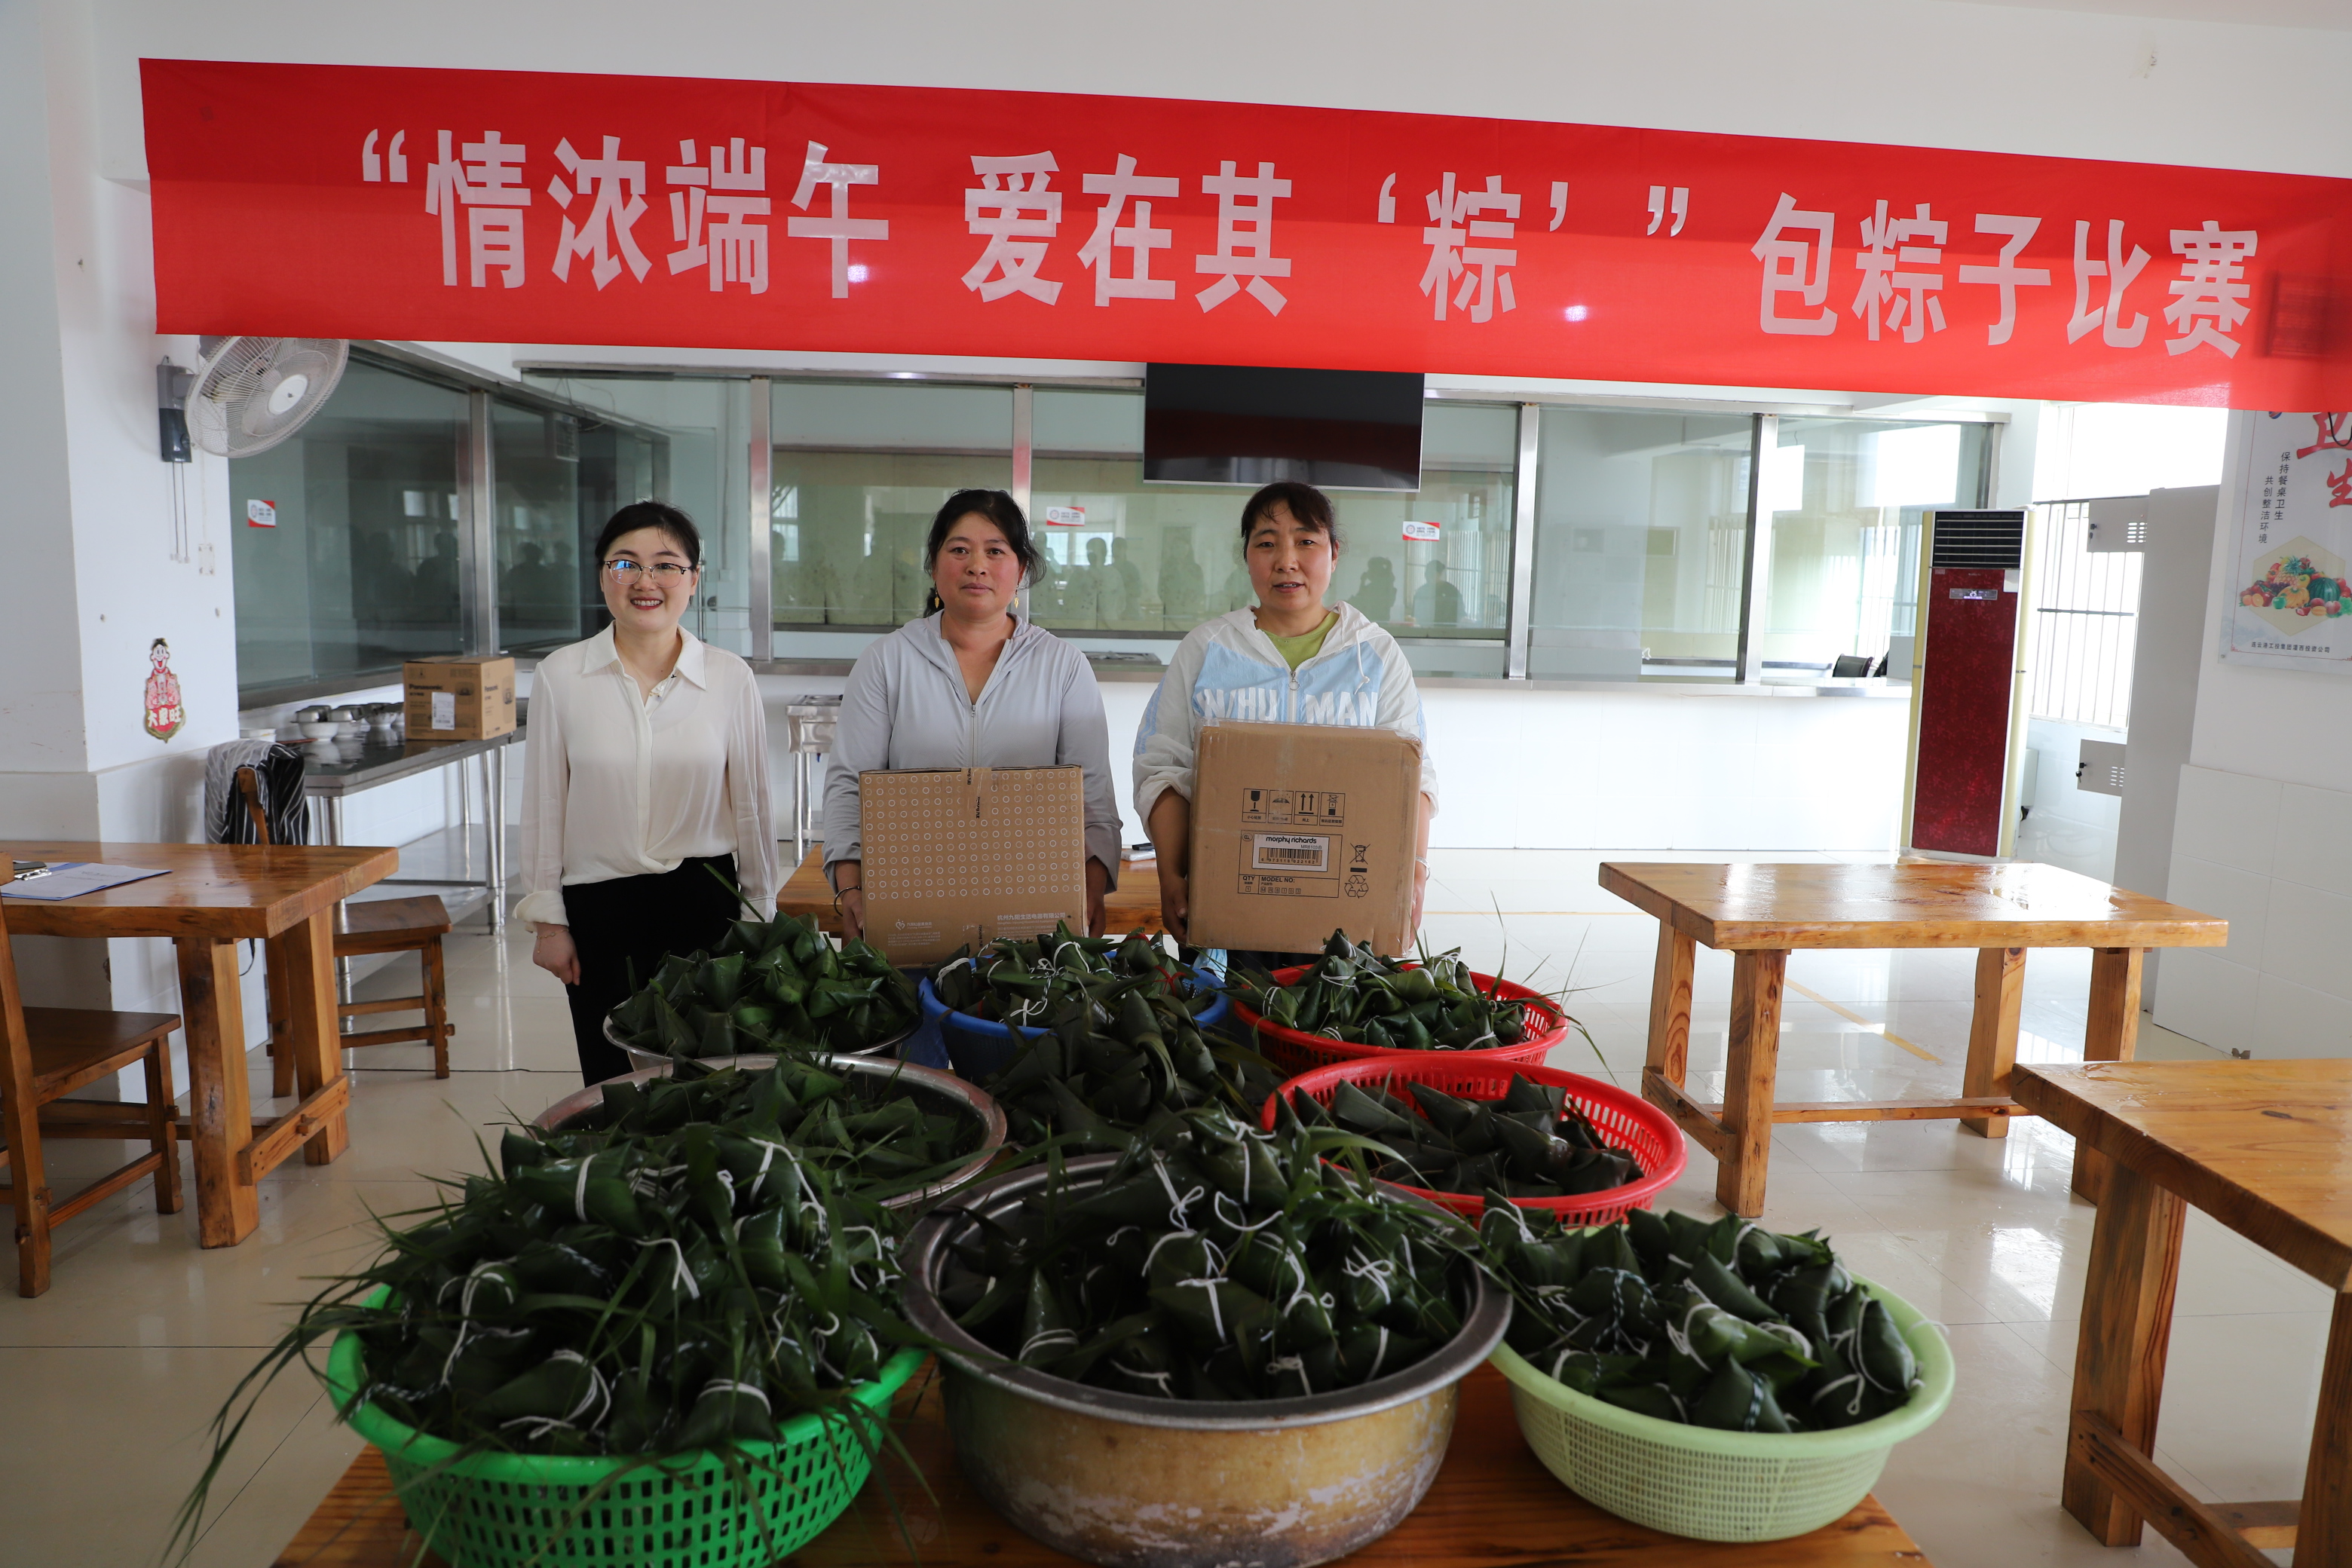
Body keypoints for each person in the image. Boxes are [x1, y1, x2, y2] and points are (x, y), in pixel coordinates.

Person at [519, 501, 778, 1083]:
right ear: (602, 576)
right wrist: (549, 923)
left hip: (703, 905)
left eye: (666, 564)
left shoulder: (729, 677)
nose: (645, 580)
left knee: (708, 1080)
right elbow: (544, 805)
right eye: (625, 563)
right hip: (600, 909)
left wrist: (760, 914)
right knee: (614, 1080)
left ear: (694, 579)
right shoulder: (562, 675)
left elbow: (754, 807)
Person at [1135, 481, 1438, 970]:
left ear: (1334, 554)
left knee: (1328, 1019)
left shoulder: (1375, 654)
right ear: (1247, 556)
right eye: (1267, 543)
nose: (1286, 561)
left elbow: (1414, 778)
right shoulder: (1207, 649)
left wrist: (1415, 873)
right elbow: (1163, 769)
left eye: (1306, 541)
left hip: (1346, 916)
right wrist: (1171, 876)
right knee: (1230, 1017)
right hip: (1226, 909)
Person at [820, 485, 1122, 957]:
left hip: (1031, 912)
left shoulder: (1063, 666)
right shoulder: (887, 662)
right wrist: (852, 889)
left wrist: (1092, 887)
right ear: (934, 566)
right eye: (959, 550)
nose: (976, 565)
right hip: (910, 907)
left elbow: (1092, 792)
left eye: (995, 551)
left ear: (1021, 570)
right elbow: (848, 785)